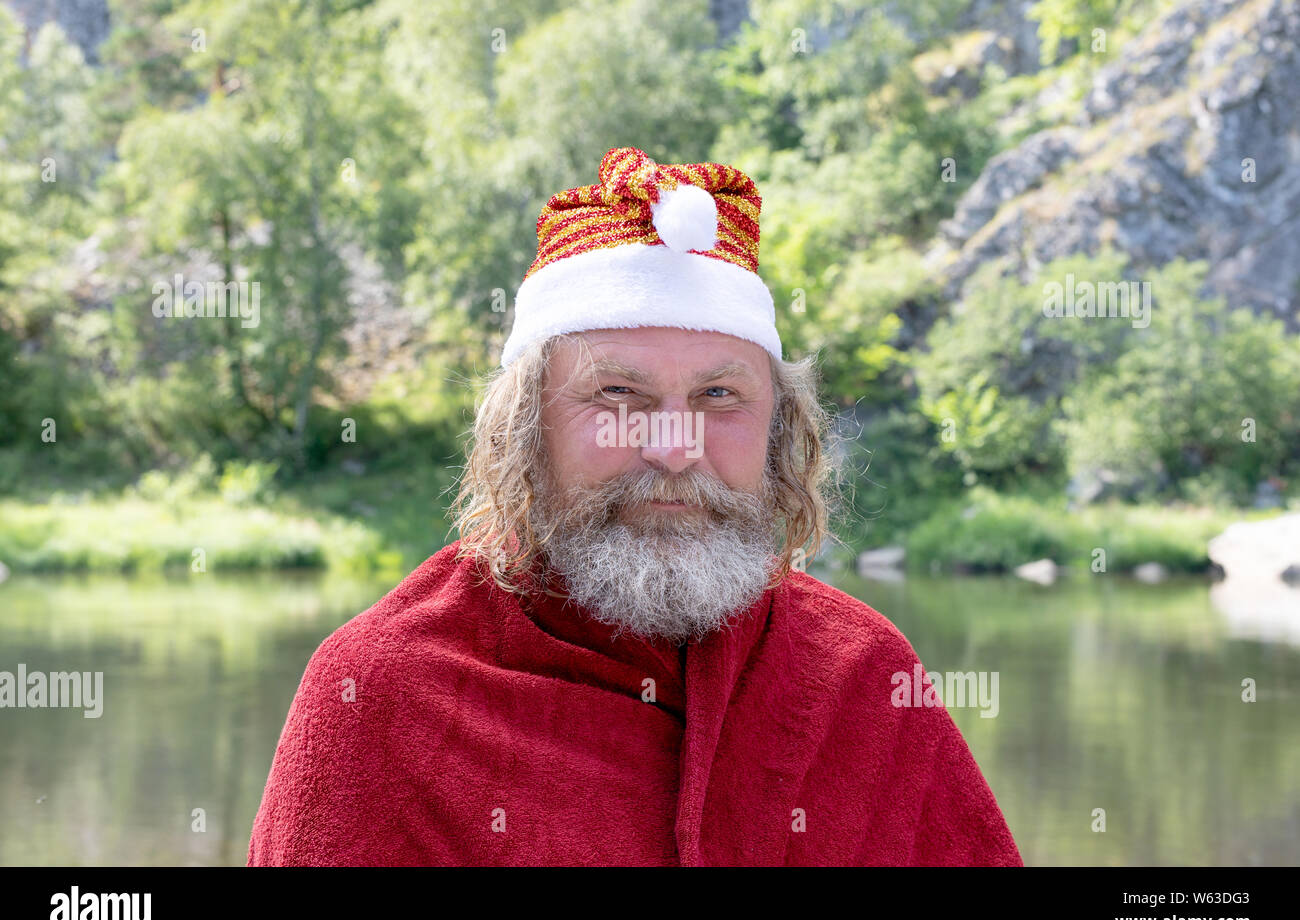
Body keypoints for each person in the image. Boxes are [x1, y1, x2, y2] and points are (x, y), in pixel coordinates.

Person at [247, 146, 1022, 866]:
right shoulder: (381, 695)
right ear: (526, 428)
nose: (674, 447)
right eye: (618, 395)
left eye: (719, 396)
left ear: (780, 431)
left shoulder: (864, 673)